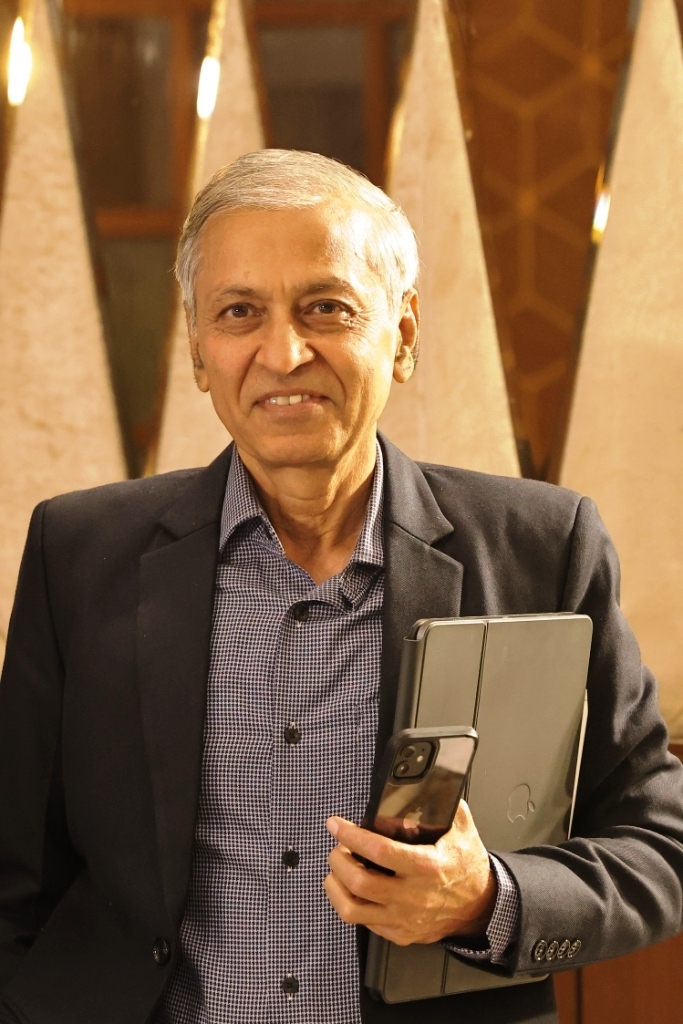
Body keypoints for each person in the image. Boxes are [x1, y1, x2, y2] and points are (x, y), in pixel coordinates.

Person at [0, 149, 681, 1024]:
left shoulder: (541, 549)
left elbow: (658, 845)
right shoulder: (78, 553)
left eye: (326, 307)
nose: (283, 353)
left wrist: (487, 899)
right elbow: (17, 877)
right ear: (199, 350)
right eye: (238, 312)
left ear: (402, 333)